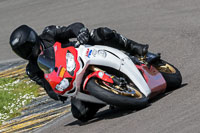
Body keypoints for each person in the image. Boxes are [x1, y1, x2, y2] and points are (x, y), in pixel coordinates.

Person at [9, 22, 148, 121]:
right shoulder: (32, 70)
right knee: (80, 113)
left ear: (32, 38)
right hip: (74, 81)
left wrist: (80, 32)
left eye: (26, 47)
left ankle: (135, 48)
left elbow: (72, 28)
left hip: (84, 54)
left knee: (101, 33)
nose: (25, 52)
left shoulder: (49, 34)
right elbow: (48, 89)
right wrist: (57, 92)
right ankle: (109, 95)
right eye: (21, 51)